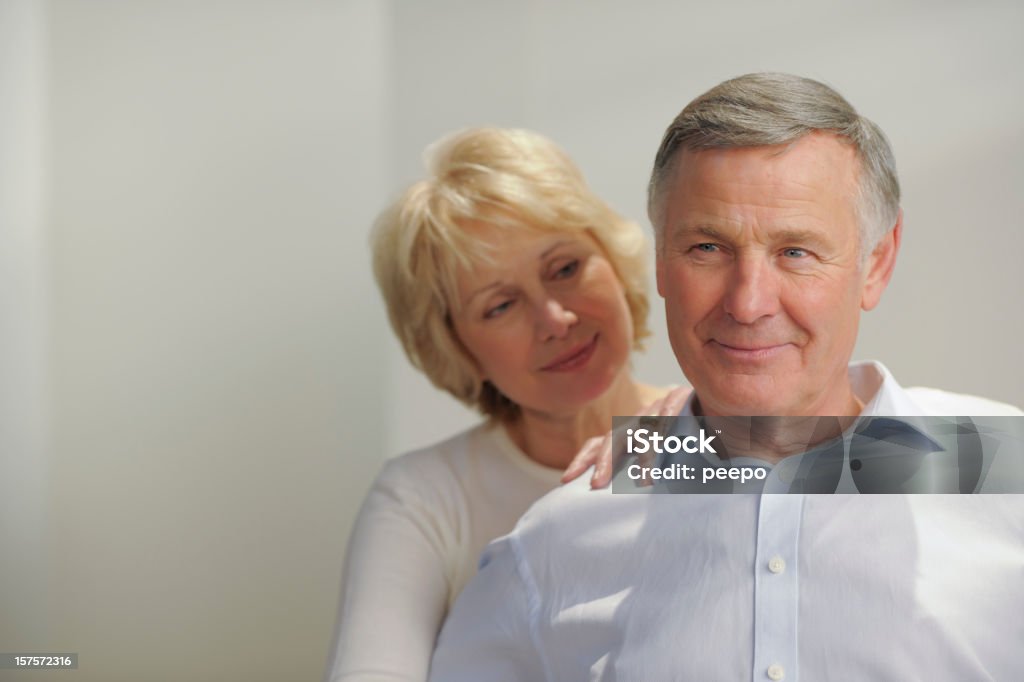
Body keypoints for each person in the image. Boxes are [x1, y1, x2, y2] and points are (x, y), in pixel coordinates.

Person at [429, 73, 1024, 681]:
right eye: (708, 248)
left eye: (796, 251)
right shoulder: (558, 539)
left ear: (877, 262)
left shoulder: (1008, 470)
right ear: (661, 260)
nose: (748, 303)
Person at [323, 127, 687, 682]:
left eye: (565, 268)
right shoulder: (424, 498)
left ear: (613, 259)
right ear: (455, 346)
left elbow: (867, 465)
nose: (554, 320)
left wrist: (733, 435)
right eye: (500, 306)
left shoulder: (713, 429)